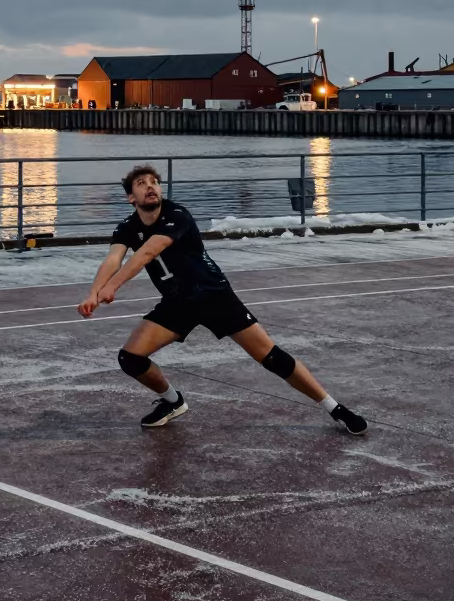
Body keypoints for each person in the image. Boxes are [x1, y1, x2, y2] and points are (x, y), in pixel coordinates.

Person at [78, 165, 367, 434]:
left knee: (271, 357)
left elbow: (147, 253)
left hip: (213, 295)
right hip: (178, 302)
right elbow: (113, 259)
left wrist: (113, 286)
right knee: (130, 358)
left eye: (154, 182)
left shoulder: (177, 214)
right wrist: (93, 293)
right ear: (131, 197)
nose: (150, 187)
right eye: (141, 184)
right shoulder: (127, 227)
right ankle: (173, 401)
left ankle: (335, 408)